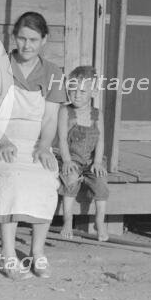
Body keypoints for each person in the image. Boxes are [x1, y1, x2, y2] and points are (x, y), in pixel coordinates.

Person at [0, 11, 66, 279]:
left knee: (46, 177)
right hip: (1, 139)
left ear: (44, 40)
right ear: (14, 38)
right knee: (11, 179)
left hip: (35, 142)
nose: (27, 45)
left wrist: (44, 147)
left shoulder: (53, 72)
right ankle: (8, 255)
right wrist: (3, 141)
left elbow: (51, 117)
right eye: (22, 38)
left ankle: (37, 252)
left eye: (33, 39)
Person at [57, 65, 109, 241]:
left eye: (82, 91)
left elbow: (100, 140)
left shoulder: (97, 114)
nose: (76, 94)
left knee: (101, 182)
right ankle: (67, 220)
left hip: (91, 161)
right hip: (71, 159)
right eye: (72, 90)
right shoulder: (66, 111)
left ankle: (99, 221)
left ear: (93, 92)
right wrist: (66, 160)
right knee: (70, 180)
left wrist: (98, 162)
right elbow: (62, 139)